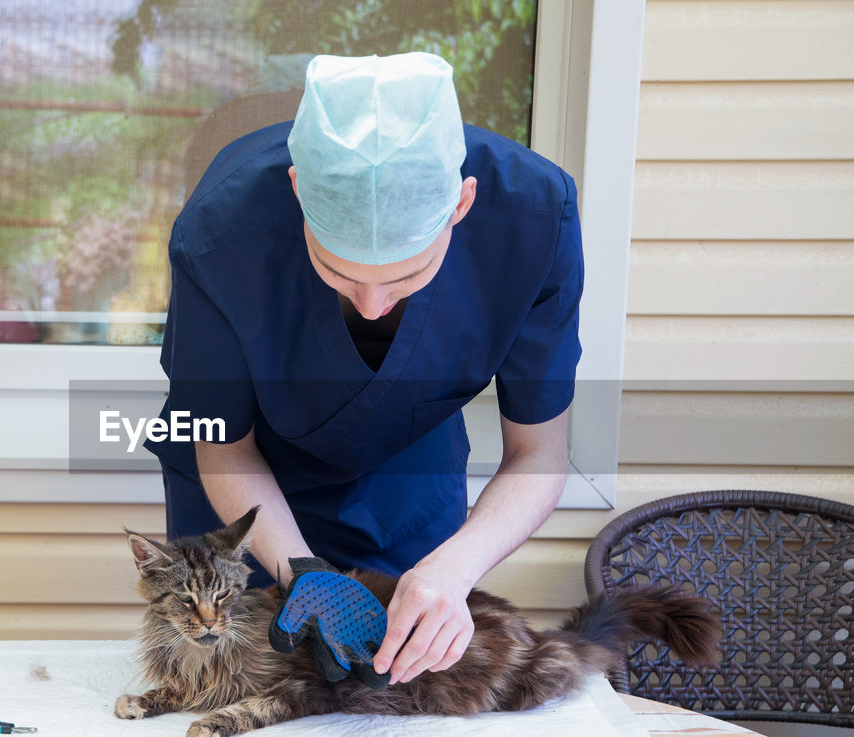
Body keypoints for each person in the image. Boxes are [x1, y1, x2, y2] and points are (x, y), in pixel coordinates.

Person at [147, 53, 582, 687]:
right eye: (337, 272)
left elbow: (539, 453)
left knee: (391, 696)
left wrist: (451, 572)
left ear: (462, 206)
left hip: (404, 473)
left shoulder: (535, 218)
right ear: (298, 193)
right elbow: (223, 445)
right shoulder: (219, 232)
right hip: (240, 491)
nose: (373, 304)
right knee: (230, 691)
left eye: (408, 277)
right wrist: (303, 571)